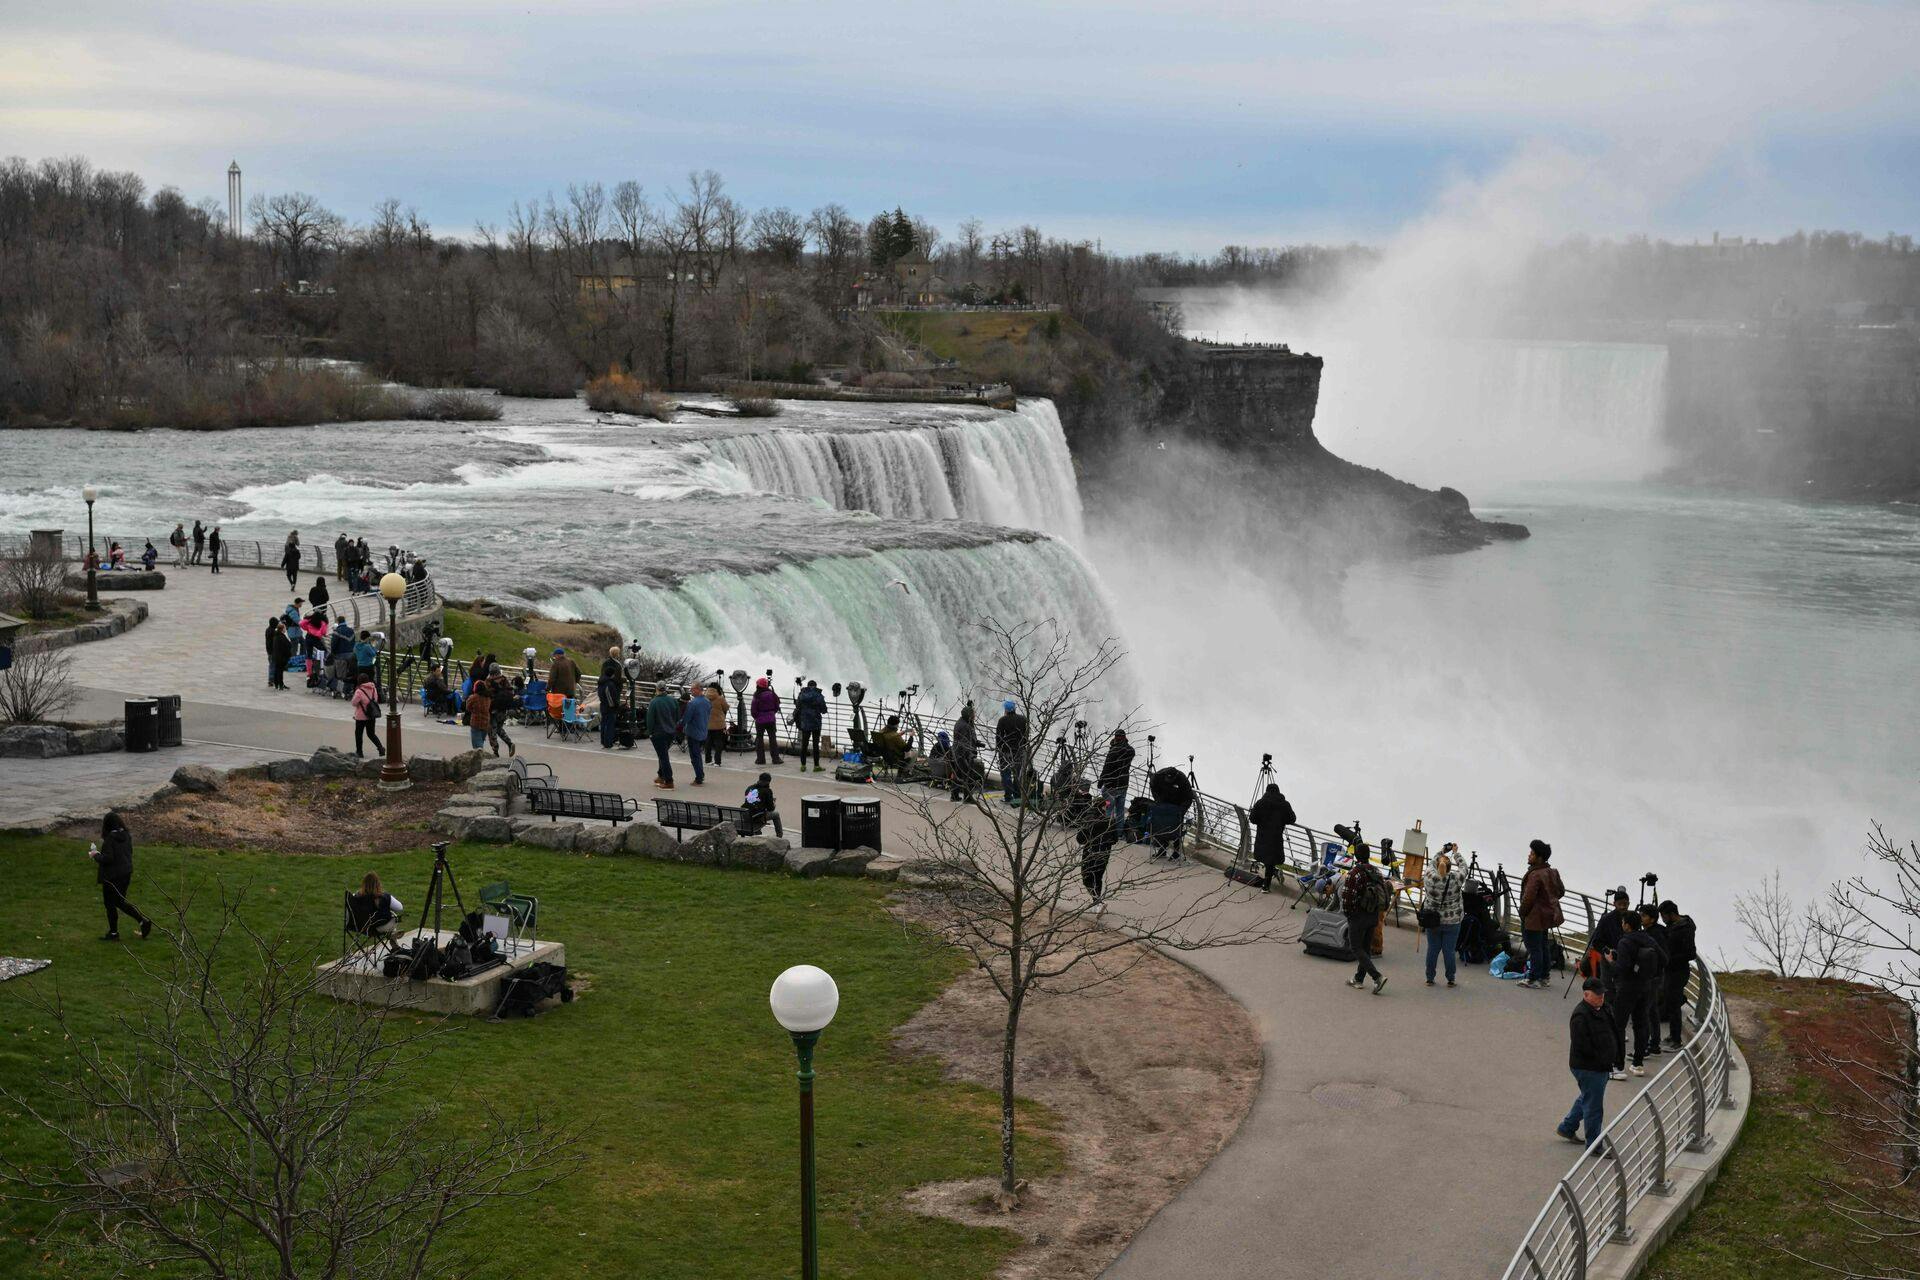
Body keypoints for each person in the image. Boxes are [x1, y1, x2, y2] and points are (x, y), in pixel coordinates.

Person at [1558, 978, 1615, 1148]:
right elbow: (1582, 1046)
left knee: (1589, 1097)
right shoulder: (1580, 1015)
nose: (1601, 998)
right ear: (1586, 994)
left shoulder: (1604, 1008)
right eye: (1597, 995)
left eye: (1602, 994)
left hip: (1600, 1065)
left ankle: (1567, 1127)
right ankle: (1594, 1145)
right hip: (1589, 1067)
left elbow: (1614, 1033)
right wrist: (1604, 1060)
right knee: (1594, 1106)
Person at [1609, 911, 1658, 1077]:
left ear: (1627, 925)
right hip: (1645, 987)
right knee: (1641, 1024)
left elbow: (1622, 968)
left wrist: (1611, 962)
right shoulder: (1649, 940)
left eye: (1623, 922)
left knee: (1619, 1025)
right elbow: (1663, 959)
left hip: (1627, 988)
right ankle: (1638, 1064)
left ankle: (1617, 1067)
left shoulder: (1625, 942)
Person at [90, 812, 152, 941]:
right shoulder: (126, 835)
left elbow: (108, 858)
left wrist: (95, 855)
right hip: (126, 873)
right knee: (119, 902)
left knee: (110, 903)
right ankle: (142, 922)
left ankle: (114, 933)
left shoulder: (110, 839)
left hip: (112, 876)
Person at [1518, 839, 1564, 989]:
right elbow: (1561, 892)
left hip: (1534, 917)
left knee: (1534, 948)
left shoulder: (1535, 874)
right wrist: (1547, 900)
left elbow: (1528, 898)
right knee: (1543, 946)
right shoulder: (1552, 872)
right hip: (1546, 917)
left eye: (1532, 853)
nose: (1529, 855)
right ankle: (1545, 976)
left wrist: (1522, 913)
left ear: (1539, 858)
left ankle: (1534, 978)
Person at [1342, 855, 1390, 994]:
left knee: (1356, 947)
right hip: (1373, 915)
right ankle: (1358, 979)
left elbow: (1348, 897)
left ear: (1357, 855)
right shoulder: (1376, 872)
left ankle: (1377, 977)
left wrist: (1348, 915)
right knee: (1365, 948)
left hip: (1358, 916)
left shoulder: (1354, 873)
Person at [1422, 848, 1466, 986]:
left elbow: (1431, 862)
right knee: (1449, 951)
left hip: (1432, 920)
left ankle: (1430, 978)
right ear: (1449, 868)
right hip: (1452, 922)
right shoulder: (1456, 879)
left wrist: (1443, 851)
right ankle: (1450, 979)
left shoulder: (1429, 875)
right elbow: (1464, 866)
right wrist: (1455, 852)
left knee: (1432, 949)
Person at [1658, 901, 1698, 1049]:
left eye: (1663, 916)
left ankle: (1676, 1040)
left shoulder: (1685, 929)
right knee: (1670, 1003)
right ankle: (1673, 1035)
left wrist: (1669, 959)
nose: (1662, 919)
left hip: (1678, 971)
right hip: (1670, 971)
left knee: (1674, 1006)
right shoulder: (1673, 927)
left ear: (1671, 914)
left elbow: (1690, 953)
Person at [1248, 783, 1296, 891]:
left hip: (1262, 836)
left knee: (1265, 857)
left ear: (1267, 791)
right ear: (1278, 792)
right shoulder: (1284, 804)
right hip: (1276, 838)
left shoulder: (1261, 803)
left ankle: (1267, 881)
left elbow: (1253, 819)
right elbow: (1292, 819)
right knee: (1271, 860)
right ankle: (1266, 884)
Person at [647, 684, 681, 788]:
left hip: (658, 732)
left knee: (663, 756)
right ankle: (661, 775)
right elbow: (677, 716)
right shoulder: (673, 700)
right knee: (663, 754)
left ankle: (669, 780)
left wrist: (650, 732)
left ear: (657, 689)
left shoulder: (654, 702)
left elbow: (650, 719)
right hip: (671, 732)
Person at [995, 699, 1028, 804]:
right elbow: (1026, 736)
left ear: (1006, 710)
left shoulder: (1002, 720)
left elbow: (998, 738)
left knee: (1006, 774)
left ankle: (1008, 797)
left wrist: (1000, 748)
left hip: (1006, 752)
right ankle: (1017, 797)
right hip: (1019, 751)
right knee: (1018, 774)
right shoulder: (1023, 719)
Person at [351, 872, 404, 936]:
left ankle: (393, 935)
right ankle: (393, 936)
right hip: (378, 928)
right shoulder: (385, 897)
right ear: (378, 884)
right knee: (394, 917)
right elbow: (400, 908)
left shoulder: (355, 897)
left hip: (360, 927)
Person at [1098, 729, 1134, 823]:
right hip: (1123, 784)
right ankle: (1118, 833)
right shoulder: (1131, 750)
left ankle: (1107, 830)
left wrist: (1101, 781)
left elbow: (1107, 767)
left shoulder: (1114, 751)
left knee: (1109, 806)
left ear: (1116, 738)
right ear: (1125, 737)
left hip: (1111, 784)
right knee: (1120, 810)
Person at [950, 701, 980, 802]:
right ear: (969, 716)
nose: (975, 716)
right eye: (973, 714)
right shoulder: (966, 726)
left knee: (958, 774)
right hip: (964, 754)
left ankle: (954, 796)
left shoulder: (960, 722)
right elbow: (966, 743)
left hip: (957, 752)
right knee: (968, 776)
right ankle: (968, 798)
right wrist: (970, 755)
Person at [794, 679, 827, 772]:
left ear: (808, 686)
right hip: (816, 723)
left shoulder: (802, 694)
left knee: (804, 744)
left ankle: (803, 766)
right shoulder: (818, 695)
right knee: (815, 745)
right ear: (815, 686)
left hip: (805, 722)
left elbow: (797, 706)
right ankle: (816, 766)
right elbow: (824, 710)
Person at [350, 673, 385, 758]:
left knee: (358, 734)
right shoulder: (373, 689)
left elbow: (354, 703)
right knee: (371, 733)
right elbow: (375, 699)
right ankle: (380, 748)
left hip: (361, 717)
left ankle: (359, 752)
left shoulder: (359, 691)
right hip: (371, 715)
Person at [750, 677, 783, 764]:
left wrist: (757, 716)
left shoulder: (757, 695)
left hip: (760, 720)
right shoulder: (773, 694)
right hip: (771, 719)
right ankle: (776, 759)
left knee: (759, 739)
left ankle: (760, 759)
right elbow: (777, 706)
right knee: (772, 738)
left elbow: (753, 710)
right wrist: (771, 713)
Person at [597, 647, 624, 749]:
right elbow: (610, 695)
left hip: (603, 703)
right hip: (611, 701)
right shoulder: (616, 665)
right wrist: (616, 704)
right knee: (609, 722)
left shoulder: (605, 666)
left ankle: (604, 741)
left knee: (604, 722)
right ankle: (608, 742)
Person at [683, 685, 710, 785]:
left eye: (692, 689)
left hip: (693, 732)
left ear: (698, 690)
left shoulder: (692, 703)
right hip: (703, 731)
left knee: (695, 756)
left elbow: (687, 718)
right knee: (698, 754)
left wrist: (679, 724)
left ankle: (699, 777)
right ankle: (700, 775)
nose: (690, 691)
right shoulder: (707, 702)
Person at [485, 672, 517, 758]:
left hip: (493, 711)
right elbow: (511, 693)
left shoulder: (490, 682)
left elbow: (487, 694)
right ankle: (510, 744)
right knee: (499, 729)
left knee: (492, 731)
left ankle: (495, 751)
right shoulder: (504, 680)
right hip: (503, 711)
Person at [743, 772, 783, 837]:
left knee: (757, 809)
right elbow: (771, 808)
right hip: (755, 816)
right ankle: (779, 836)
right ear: (768, 782)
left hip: (746, 814)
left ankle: (757, 832)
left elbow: (751, 801)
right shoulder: (767, 790)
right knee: (776, 814)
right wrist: (773, 803)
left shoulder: (749, 788)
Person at [463, 677, 492, 753]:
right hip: (486, 723)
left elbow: (468, 707)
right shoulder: (488, 697)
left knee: (477, 746)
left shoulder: (473, 697)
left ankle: (480, 760)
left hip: (476, 722)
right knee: (481, 741)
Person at [705, 681, 729, 767]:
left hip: (707, 723)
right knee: (719, 743)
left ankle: (708, 760)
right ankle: (717, 762)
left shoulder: (705, 697)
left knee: (708, 742)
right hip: (719, 724)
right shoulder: (720, 698)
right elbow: (726, 707)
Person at [267, 618, 293, 691]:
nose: (285, 630)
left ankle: (276, 684)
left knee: (276, 670)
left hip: (276, 656)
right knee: (279, 671)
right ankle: (280, 685)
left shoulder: (276, 636)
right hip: (281, 657)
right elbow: (288, 646)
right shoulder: (281, 637)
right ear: (282, 629)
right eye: (284, 628)